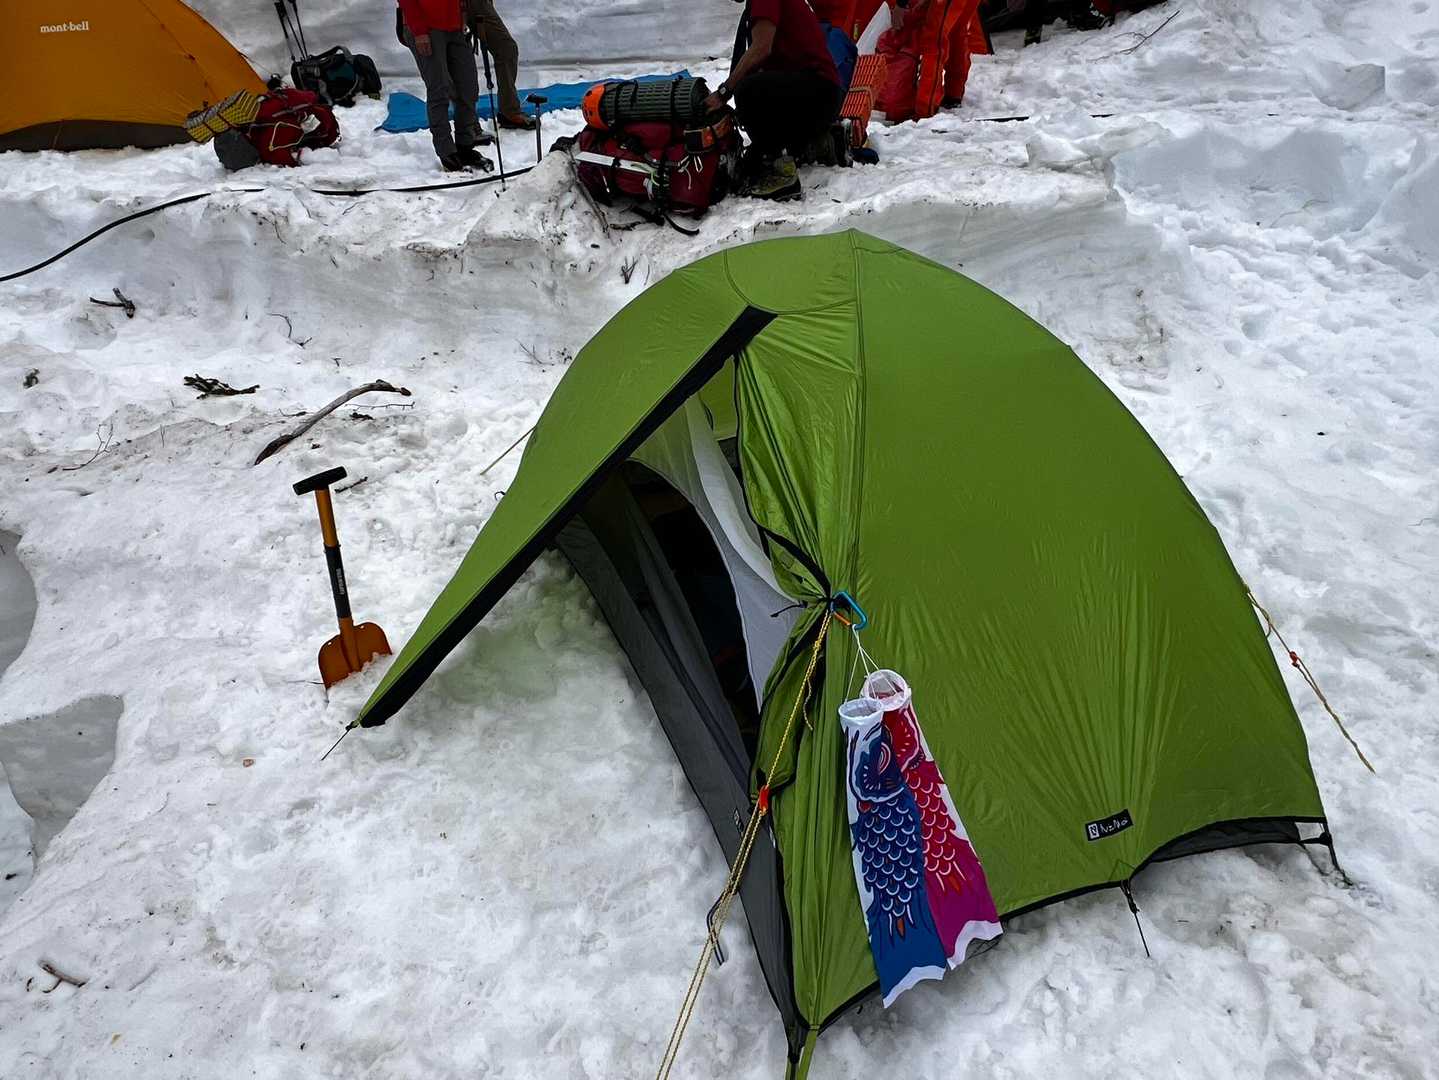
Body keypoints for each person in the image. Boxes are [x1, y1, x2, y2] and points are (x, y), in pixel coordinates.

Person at [704, 0, 844, 200]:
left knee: (748, 91)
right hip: (822, 93)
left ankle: (779, 172)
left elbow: (761, 48)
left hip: (819, 92)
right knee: (754, 89)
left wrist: (724, 92)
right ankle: (814, 143)